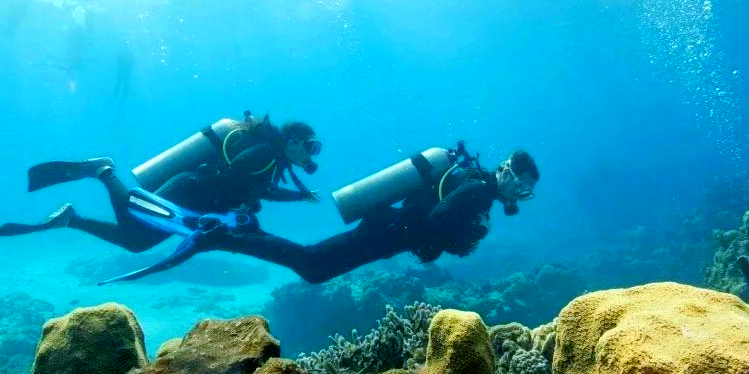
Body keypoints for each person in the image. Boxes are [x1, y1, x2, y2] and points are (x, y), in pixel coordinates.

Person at [103, 143, 538, 285]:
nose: (520, 193)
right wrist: (451, 242)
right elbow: (441, 218)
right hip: (390, 232)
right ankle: (222, 235)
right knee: (312, 265)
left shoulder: (476, 185)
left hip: (389, 229)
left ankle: (229, 235)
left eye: (526, 191)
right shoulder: (479, 191)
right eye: (521, 184)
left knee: (313, 265)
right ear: (508, 174)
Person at [0, 114, 322, 254]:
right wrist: (261, 200)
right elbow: (239, 175)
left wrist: (293, 197)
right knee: (132, 220)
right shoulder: (267, 151)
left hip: (195, 204)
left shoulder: (273, 159)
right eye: (309, 145)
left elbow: (256, 187)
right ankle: (103, 171)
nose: (311, 152)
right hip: (189, 191)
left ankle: (71, 219)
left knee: (136, 243)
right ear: (291, 141)